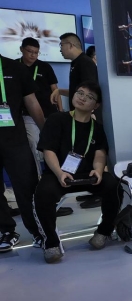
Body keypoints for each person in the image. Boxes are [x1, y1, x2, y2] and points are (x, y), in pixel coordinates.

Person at [34, 81, 120, 263]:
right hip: (58, 174)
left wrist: (98, 171)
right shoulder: (57, 119)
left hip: (87, 175)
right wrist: (59, 173)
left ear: (96, 105)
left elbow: (100, 154)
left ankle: (103, 232)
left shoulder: (96, 128)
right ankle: (51, 242)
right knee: (43, 192)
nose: (82, 98)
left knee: (113, 184)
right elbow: (48, 151)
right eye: (80, 93)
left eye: (89, 97)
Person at [0, 53, 46, 252]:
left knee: (27, 186)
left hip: (15, 139)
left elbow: (32, 102)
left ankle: (39, 231)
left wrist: (46, 133)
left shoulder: (15, 68)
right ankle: (6, 230)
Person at [18, 37, 61, 176]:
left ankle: (56, 175)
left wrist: (60, 111)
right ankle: (37, 178)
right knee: (33, 142)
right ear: (21, 49)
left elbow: (55, 90)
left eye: (36, 52)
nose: (33, 55)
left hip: (49, 112)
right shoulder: (15, 66)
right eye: (29, 51)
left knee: (54, 144)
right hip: (27, 114)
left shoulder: (45, 67)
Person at [51, 33, 98, 112]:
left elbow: (90, 92)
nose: (60, 49)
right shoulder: (76, 62)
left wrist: (89, 114)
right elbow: (77, 92)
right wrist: (59, 91)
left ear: (70, 45)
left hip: (84, 115)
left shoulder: (85, 63)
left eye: (61, 45)